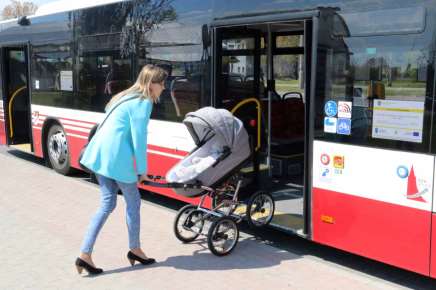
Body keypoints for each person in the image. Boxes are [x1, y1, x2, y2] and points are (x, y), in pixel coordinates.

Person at [75, 64, 167, 275]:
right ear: (152, 84)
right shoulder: (143, 103)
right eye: (162, 83)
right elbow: (139, 140)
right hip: (117, 158)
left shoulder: (124, 97)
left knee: (107, 204)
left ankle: (84, 254)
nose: (163, 87)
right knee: (133, 203)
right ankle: (135, 249)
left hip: (99, 155)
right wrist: (142, 171)